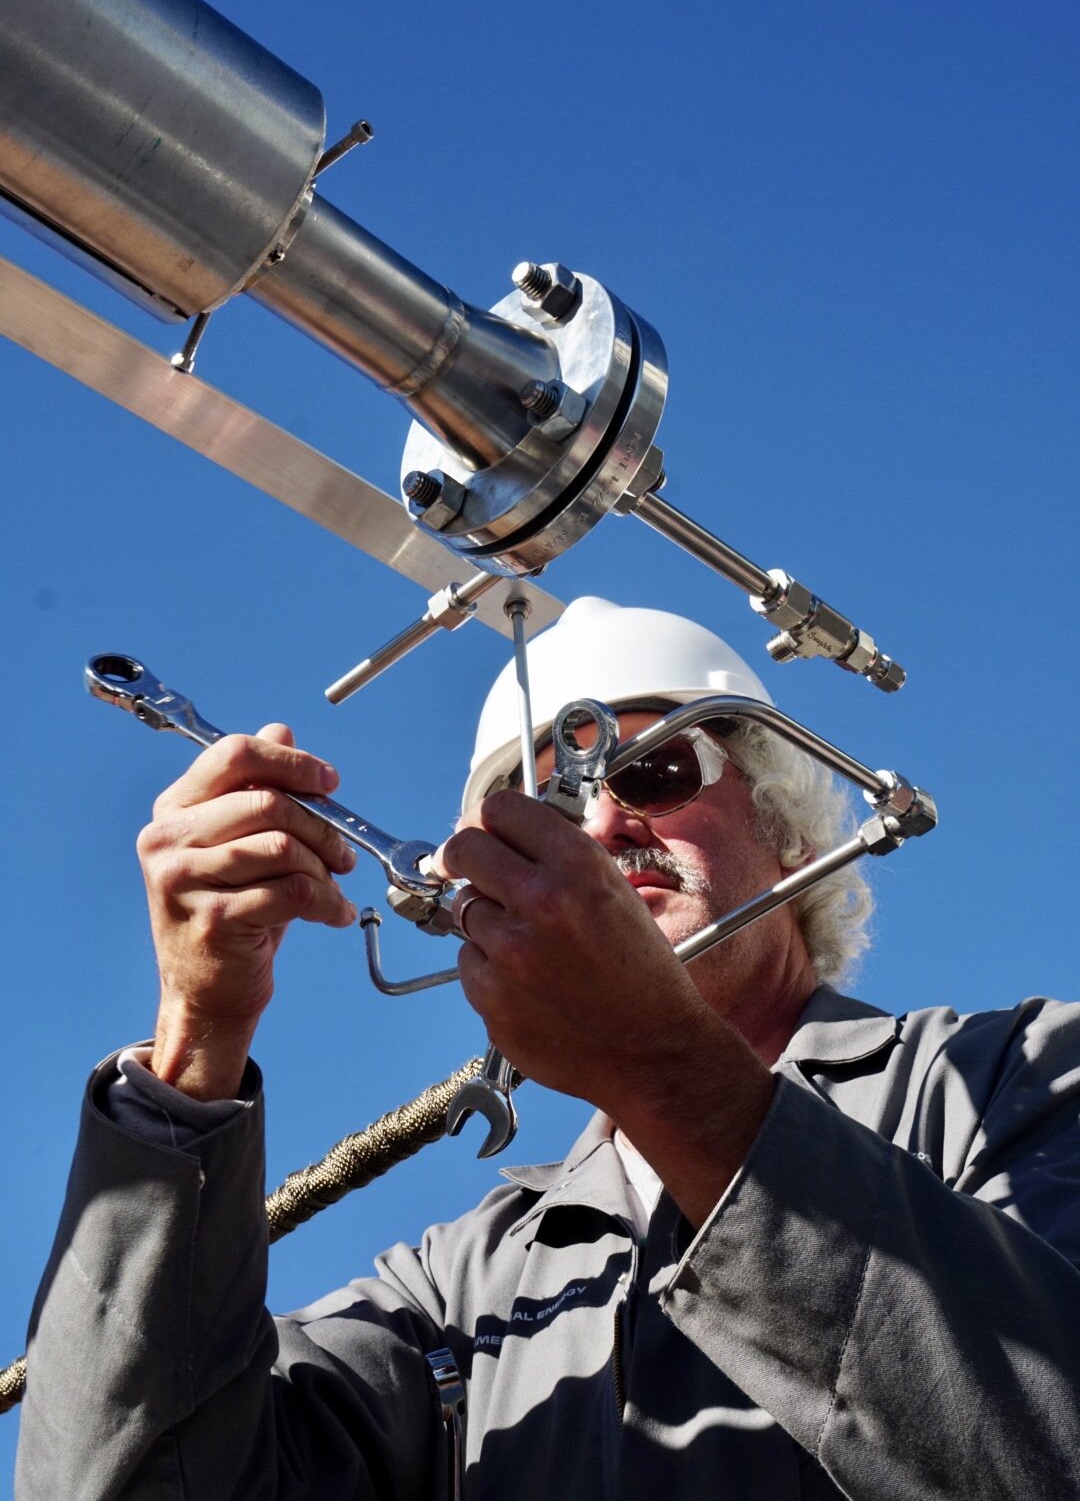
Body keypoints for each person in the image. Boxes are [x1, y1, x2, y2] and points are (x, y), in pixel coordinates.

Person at [16, 597, 1080, 1500]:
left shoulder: (1019, 1076)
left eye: (657, 770)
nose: (602, 827)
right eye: (549, 811)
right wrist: (193, 1043)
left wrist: (659, 1063)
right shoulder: (454, 1290)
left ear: (787, 827)